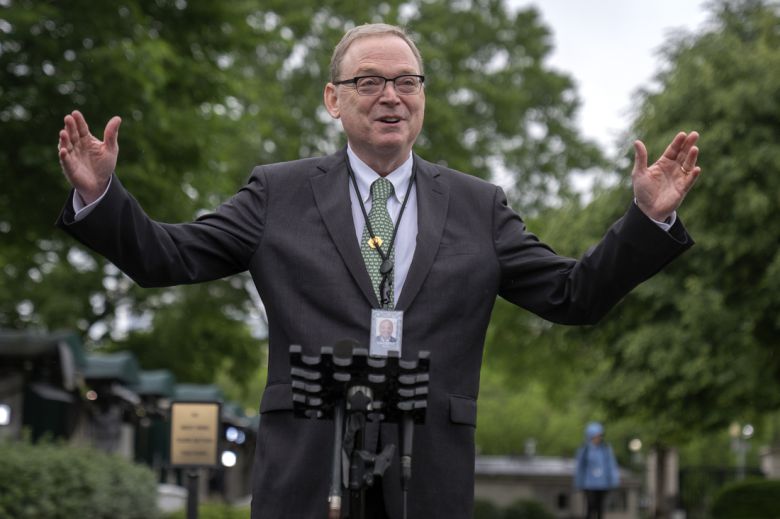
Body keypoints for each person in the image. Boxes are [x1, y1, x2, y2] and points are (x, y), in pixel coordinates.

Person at [56, 23, 700, 519]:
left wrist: (647, 220)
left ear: (423, 97)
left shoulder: (479, 206)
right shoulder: (277, 193)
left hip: (430, 473)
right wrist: (100, 197)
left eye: (406, 82)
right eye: (368, 82)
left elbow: (573, 294)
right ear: (333, 99)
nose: (390, 95)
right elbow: (167, 257)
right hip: (308, 472)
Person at [575, 422, 620, 519]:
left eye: (599, 436)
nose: (598, 438)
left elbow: (611, 465)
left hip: (603, 483)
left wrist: (613, 481)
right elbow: (580, 467)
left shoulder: (605, 449)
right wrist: (578, 483)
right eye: (596, 436)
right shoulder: (585, 450)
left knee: (600, 508)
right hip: (589, 484)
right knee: (590, 506)